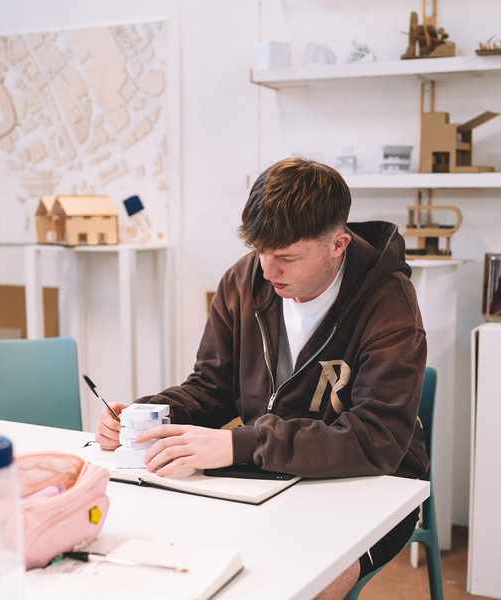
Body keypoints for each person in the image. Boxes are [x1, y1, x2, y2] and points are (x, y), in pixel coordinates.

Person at [97, 157, 429, 599]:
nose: (268, 272)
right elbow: (212, 387)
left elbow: (377, 440)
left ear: (338, 245)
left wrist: (240, 445)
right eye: (261, 252)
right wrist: (149, 416)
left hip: (373, 489)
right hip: (267, 473)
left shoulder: (389, 304)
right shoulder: (244, 280)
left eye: (286, 258)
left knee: (305, 588)